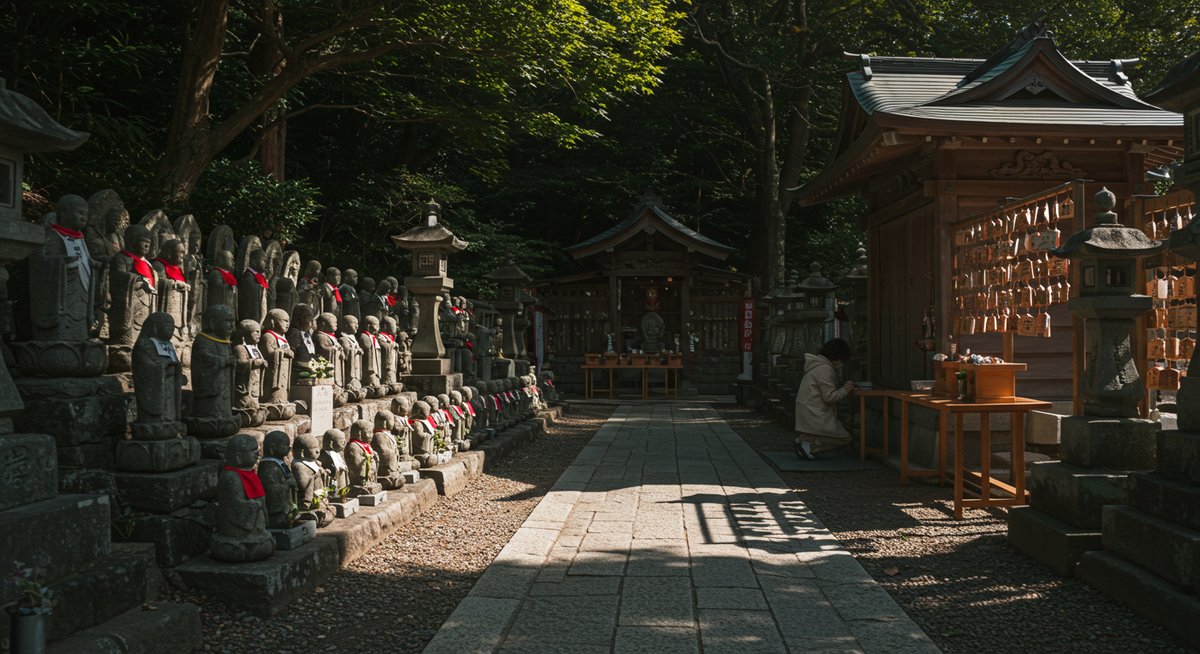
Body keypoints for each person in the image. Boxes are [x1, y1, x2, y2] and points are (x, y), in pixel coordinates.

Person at [794, 338, 855, 460]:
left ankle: (803, 441)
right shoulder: (825, 369)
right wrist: (845, 389)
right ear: (837, 358)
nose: (841, 364)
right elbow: (830, 397)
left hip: (808, 408)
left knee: (817, 432)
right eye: (841, 360)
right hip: (817, 411)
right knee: (844, 438)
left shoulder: (816, 364)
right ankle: (810, 446)